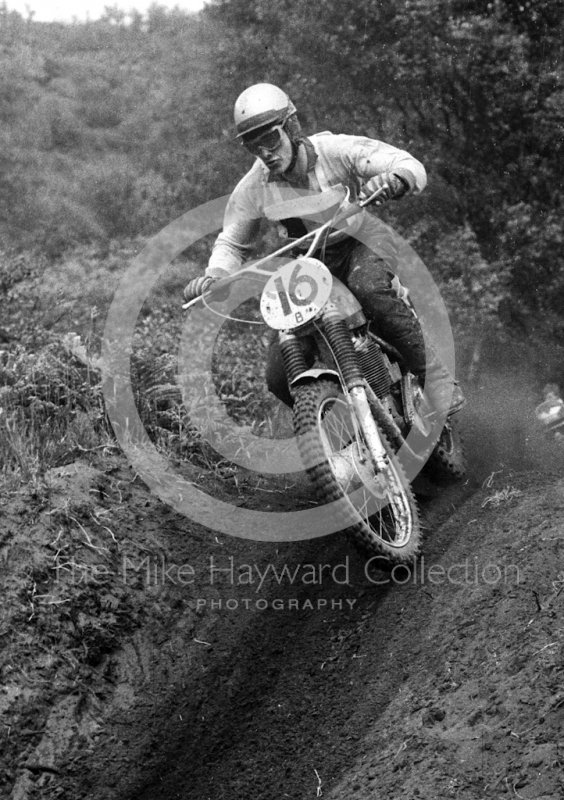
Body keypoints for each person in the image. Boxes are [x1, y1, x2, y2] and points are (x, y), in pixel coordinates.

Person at [184, 83, 465, 416]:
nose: (266, 153)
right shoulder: (253, 187)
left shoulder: (334, 150)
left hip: (360, 243)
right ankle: (339, 425)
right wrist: (215, 276)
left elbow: (407, 163)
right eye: (254, 146)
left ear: (290, 127)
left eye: (270, 139)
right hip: (309, 261)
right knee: (278, 374)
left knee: (369, 290)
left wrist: (395, 178)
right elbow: (231, 243)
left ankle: (435, 380)